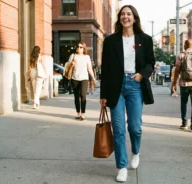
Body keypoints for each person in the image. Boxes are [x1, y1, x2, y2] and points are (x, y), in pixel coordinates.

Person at [100, 5, 154, 182]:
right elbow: (106, 70)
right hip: (116, 87)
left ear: (135, 18)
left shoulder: (144, 40)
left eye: (129, 14)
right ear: (119, 18)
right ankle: (122, 166)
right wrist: (103, 94)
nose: (125, 17)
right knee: (119, 129)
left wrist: (141, 75)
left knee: (135, 127)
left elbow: (150, 63)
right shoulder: (110, 41)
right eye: (122, 14)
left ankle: (136, 151)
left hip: (135, 85)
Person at [172, 40, 192, 132]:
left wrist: (174, 83)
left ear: (185, 45)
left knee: (184, 103)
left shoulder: (181, 55)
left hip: (183, 83)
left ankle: (184, 123)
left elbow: (177, 70)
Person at [70, 42, 96, 120]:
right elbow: (67, 66)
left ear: (84, 48)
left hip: (84, 78)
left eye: (80, 47)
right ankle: (78, 113)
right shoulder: (73, 56)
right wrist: (72, 63)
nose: (78, 48)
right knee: (76, 96)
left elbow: (89, 68)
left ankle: (83, 113)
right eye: (77, 46)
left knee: (83, 95)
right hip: (74, 78)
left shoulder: (87, 57)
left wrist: (93, 78)